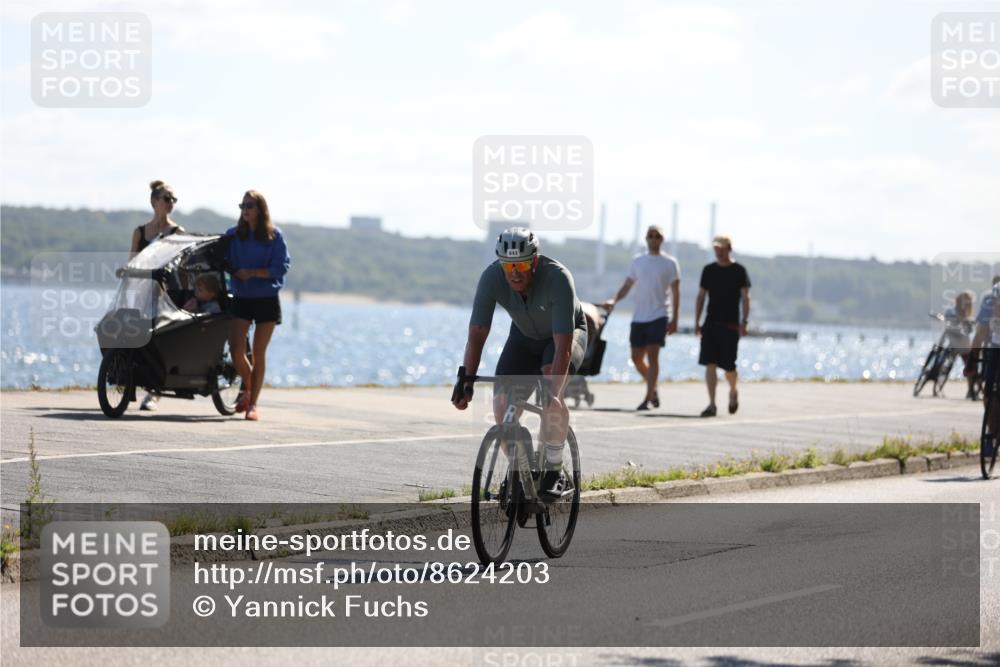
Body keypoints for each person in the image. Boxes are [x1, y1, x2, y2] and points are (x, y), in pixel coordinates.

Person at [452, 227, 587, 498]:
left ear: (534, 262)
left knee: (551, 388)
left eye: (522, 264)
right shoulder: (491, 278)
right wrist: (465, 379)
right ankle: (519, 471)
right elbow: (477, 333)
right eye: (508, 265)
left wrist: (555, 392)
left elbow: (562, 346)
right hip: (524, 338)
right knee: (502, 408)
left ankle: (554, 470)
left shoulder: (557, 278)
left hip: (564, 337)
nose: (515, 272)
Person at [225, 190, 291, 422]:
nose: (245, 209)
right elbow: (223, 260)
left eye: (250, 205)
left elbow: (281, 267)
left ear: (260, 209)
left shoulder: (274, 235)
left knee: (258, 353)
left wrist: (253, 272)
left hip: (266, 299)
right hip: (242, 297)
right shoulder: (233, 235)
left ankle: (252, 404)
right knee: (236, 351)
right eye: (242, 205)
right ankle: (249, 389)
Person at [604, 224, 680, 410]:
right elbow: (628, 284)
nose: (654, 239)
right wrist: (614, 300)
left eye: (657, 236)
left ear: (662, 240)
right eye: (650, 236)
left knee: (653, 357)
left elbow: (676, 292)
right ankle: (652, 387)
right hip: (639, 317)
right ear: (646, 239)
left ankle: (647, 399)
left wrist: (674, 319)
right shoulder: (638, 261)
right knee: (636, 358)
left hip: (659, 316)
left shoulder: (670, 263)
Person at [134, 180, 185, 411]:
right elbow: (132, 262)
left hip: (165, 295)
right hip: (142, 292)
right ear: (154, 202)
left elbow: (181, 268)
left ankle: (154, 392)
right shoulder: (140, 232)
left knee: (158, 339)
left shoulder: (177, 233)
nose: (170, 203)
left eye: (173, 199)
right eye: (166, 199)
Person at [694, 234, 751, 417]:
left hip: (731, 325)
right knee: (710, 364)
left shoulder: (739, 271)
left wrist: (744, 321)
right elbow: (701, 296)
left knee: (728, 368)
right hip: (711, 323)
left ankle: (733, 391)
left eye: (722, 249)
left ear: (729, 249)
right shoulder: (708, 270)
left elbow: (745, 298)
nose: (719, 252)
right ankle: (712, 404)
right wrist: (696, 322)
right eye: (716, 249)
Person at [944, 290, 975, 399]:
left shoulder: (964, 316)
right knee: (969, 365)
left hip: (957, 344)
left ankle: (971, 389)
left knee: (968, 365)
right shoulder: (953, 312)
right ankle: (971, 389)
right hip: (961, 345)